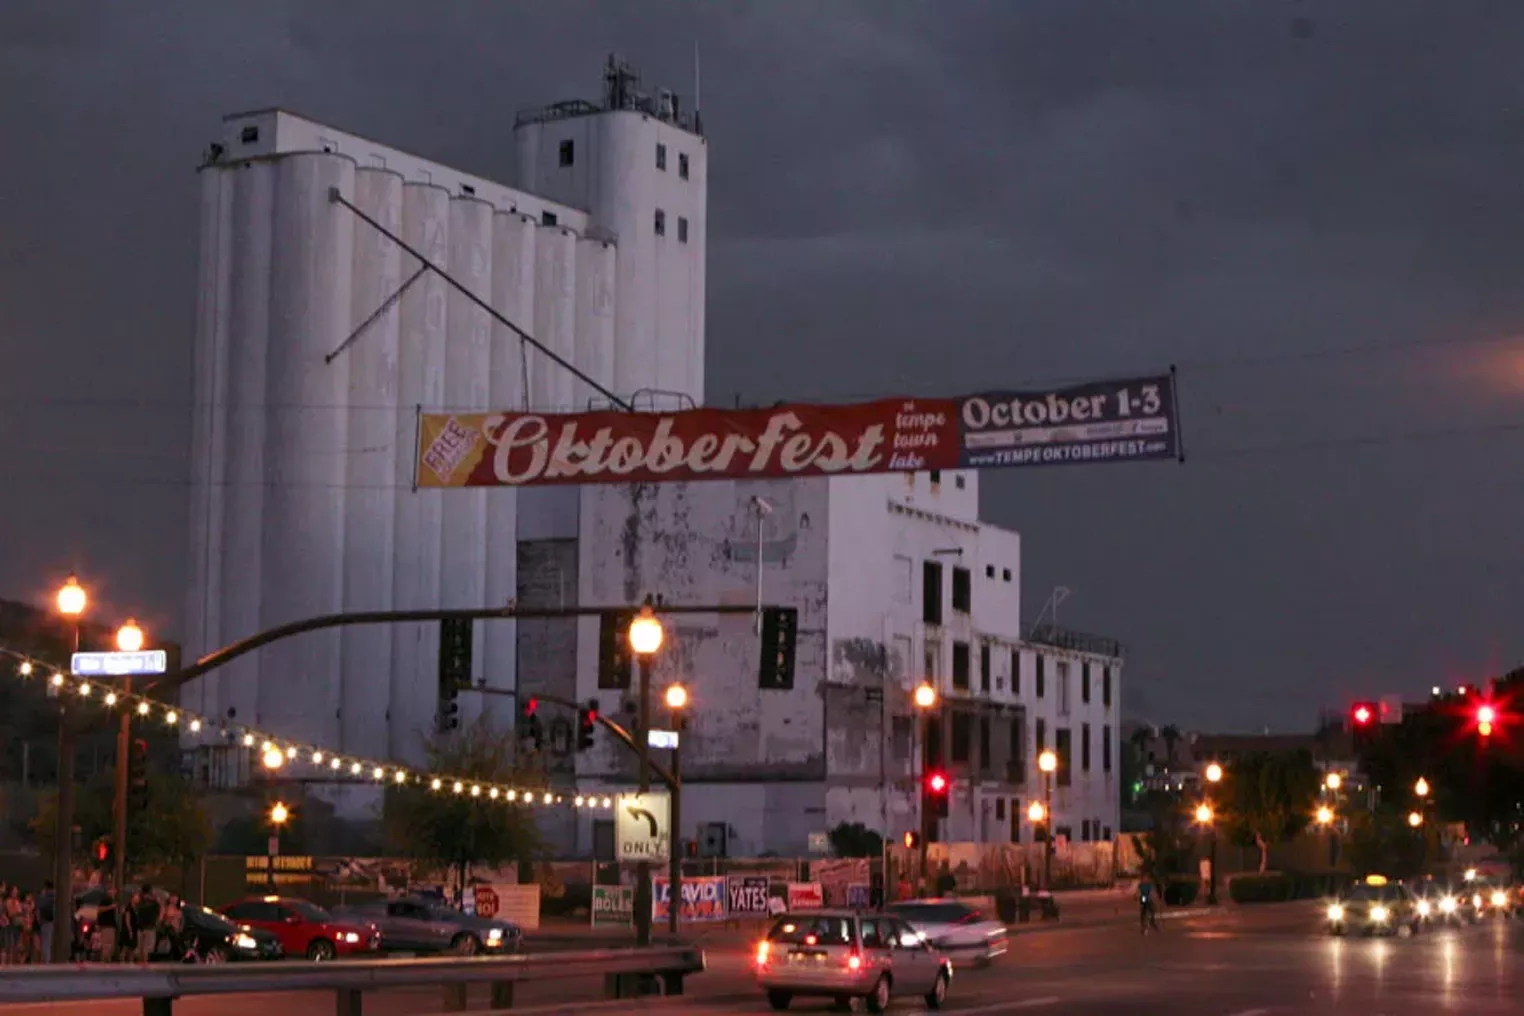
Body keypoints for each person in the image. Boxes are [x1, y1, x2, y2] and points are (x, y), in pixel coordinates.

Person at [134, 885, 161, 963]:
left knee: (141, 947)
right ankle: (144, 963)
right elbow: (158, 911)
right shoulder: (154, 903)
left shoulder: (140, 903)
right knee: (146, 947)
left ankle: (141, 963)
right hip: (149, 927)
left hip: (141, 926)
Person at [96, 894, 119, 963]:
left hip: (111, 925)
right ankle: (104, 960)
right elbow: (99, 909)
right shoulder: (105, 899)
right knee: (107, 944)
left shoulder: (114, 900)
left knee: (111, 945)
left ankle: (108, 959)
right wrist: (111, 907)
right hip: (106, 925)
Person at [36, 881, 54, 965]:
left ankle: (46, 960)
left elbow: (38, 911)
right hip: (54, 921)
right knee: (49, 942)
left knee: (46, 942)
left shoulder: (42, 897)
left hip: (45, 922)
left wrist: (39, 921)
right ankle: (48, 959)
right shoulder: (56, 897)